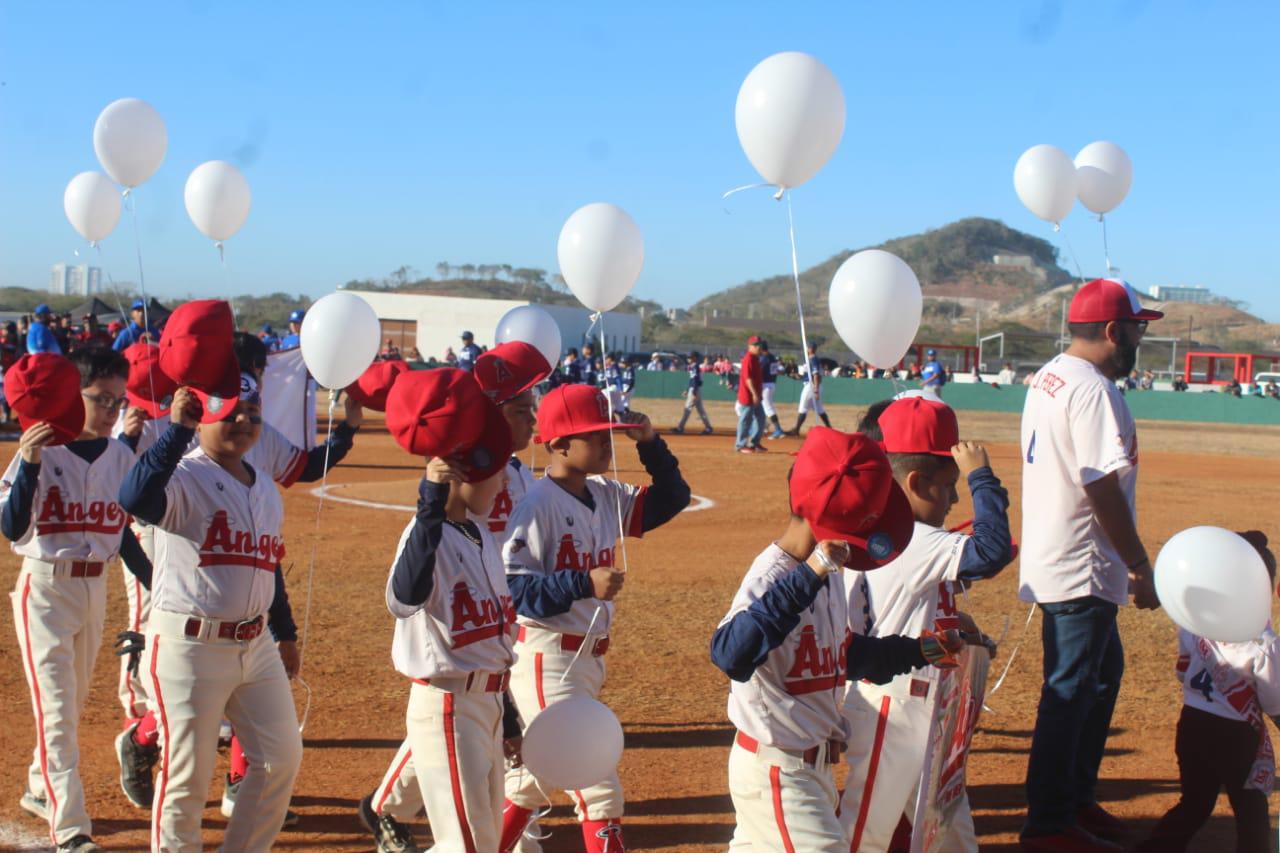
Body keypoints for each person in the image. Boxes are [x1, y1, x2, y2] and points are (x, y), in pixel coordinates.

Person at [710, 427, 963, 851]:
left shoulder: (828, 574)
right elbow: (730, 653)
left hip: (811, 772)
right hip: (779, 770)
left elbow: (847, 656)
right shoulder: (777, 575)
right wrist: (811, 574)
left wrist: (923, 650)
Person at [361, 341, 551, 853]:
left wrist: (508, 717)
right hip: (446, 704)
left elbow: (494, 640)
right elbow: (404, 597)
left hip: (486, 702)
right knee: (467, 845)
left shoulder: (482, 537)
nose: (502, 484)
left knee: (481, 842)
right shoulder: (432, 534)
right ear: (463, 477)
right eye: (493, 474)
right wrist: (429, 503)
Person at [499, 384, 690, 851]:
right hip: (545, 658)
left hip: (586, 658)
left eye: (610, 434)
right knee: (596, 783)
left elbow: (674, 497)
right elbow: (515, 592)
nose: (607, 444)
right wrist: (583, 584)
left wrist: (649, 444)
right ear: (560, 444)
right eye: (597, 436)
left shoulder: (606, 494)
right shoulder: (537, 505)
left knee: (533, 781)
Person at [1019, 278, 1163, 852]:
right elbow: (1099, 485)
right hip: (1081, 565)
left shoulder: (1053, 374)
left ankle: (1074, 799)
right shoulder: (1094, 390)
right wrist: (1138, 562)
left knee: (1100, 678)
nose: (1139, 338)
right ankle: (1049, 824)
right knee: (1071, 689)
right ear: (1111, 331)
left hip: (1067, 559)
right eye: (1136, 328)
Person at [840, 398, 1014, 851]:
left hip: (923, 704)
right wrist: (982, 477)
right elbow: (992, 549)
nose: (956, 498)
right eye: (949, 485)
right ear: (915, 482)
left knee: (948, 827)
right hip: (890, 709)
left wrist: (959, 628)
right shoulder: (911, 537)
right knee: (863, 834)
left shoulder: (900, 534)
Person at [3, 350, 152, 853]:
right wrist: (27, 463)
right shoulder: (41, 450)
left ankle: (38, 786)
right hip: (44, 589)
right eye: (100, 398)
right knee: (58, 710)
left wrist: (158, 584)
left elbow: (123, 533)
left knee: (73, 698)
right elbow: (11, 526)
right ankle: (71, 830)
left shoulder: (119, 456)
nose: (111, 408)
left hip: (93, 589)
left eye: (117, 398)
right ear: (73, 395)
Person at [1136, 532, 1279, 853]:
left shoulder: (1192, 625)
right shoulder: (1262, 643)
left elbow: (1182, 670)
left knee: (1195, 802)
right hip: (1236, 737)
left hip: (1192, 724)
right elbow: (1274, 701)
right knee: (1251, 808)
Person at [787, 343, 832, 436]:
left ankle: (796, 430)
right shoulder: (810, 360)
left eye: (807, 347)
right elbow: (806, 376)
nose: (806, 349)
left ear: (811, 349)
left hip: (812, 386)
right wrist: (795, 376)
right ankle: (830, 428)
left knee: (803, 408)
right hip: (812, 385)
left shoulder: (813, 359)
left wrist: (816, 390)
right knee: (819, 409)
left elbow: (816, 375)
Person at [735, 336, 766, 454]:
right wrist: (754, 394)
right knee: (745, 420)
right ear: (749, 347)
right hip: (748, 396)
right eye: (756, 345)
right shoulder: (748, 358)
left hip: (756, 395)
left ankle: (754, 443)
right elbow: (748, 379)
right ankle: (740, 444)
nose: (759, 347)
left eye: (760, 344)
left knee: (761, 418)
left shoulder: (755, 358)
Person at [673, 351, 713, 436]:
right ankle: (708, 428)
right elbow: (692, 380)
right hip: (694, 389)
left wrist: (694, 392)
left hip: (695, 390)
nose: (688, 359)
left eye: (690, 357)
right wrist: (687, 390)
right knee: (700, 410)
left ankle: (680, 428)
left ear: (694, 358)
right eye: (688, 357)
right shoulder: (693, 366)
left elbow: (695, 380)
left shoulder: (695, 367)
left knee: (687, 408)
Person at [758, 341, 785, 439]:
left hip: (766, 385)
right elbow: (779, 370)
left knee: (768, 408)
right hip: (772, 384)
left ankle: (778, 430)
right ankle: (763, 426)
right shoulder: (772, 357)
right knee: (763, 407)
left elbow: (759, 372)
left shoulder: (764, 358)